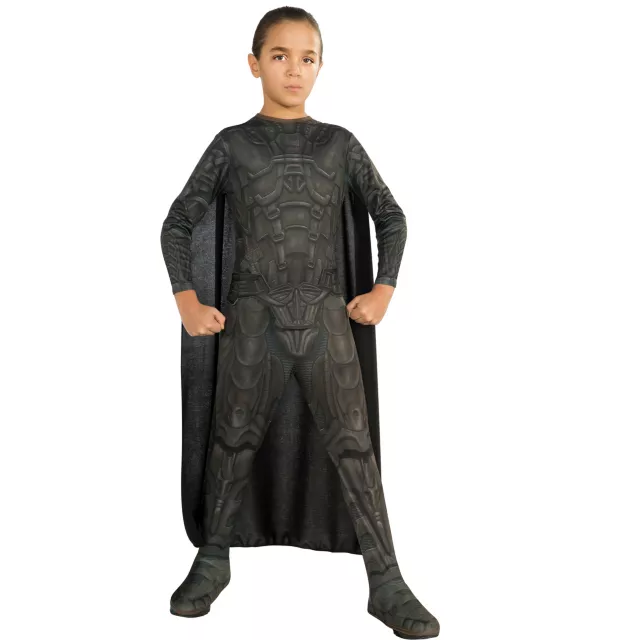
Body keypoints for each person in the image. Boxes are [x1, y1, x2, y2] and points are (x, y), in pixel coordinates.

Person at [160, 6, 440, 639]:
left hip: (324, 322)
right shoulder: (231, 144)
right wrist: (186, 299)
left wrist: (385, 287)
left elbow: (390, 215)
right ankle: (212, 560)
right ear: (254, 64)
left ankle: (387, 581)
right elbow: (178, 221)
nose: (294, 69)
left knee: (355, 448)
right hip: (251, 321)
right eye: (279, 55)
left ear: (321, 67)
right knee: (231, 442)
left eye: (307, 57)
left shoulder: (339, 144)